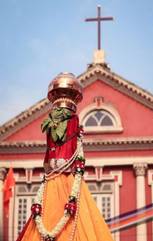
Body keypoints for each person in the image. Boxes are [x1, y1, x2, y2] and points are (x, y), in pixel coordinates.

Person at [17, 73, 113, 241]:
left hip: (66, 178)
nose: (58, 119)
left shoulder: (73, 121)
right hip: (54, 178)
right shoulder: (53, 124)